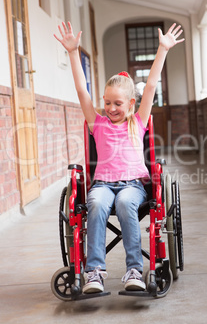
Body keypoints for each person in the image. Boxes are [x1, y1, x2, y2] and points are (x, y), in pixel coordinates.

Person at [54, 21, 184, 294]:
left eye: (118, 103)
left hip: (132, 186)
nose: (111, 108)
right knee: (97, 204)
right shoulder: (97, 124)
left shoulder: (138, 122)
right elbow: (81, 90)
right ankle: (95, 273)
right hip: (102, 185)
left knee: (126, 203)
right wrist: (72, 53)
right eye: (107, 102)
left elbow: (149, 86)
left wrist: (162, 49)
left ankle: (134, 269)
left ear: (130, 104)